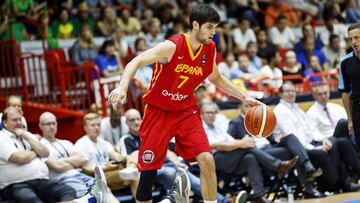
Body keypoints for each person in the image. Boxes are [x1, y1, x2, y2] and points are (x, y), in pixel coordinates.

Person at [108, 4, 263, 203]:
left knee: (207, 159)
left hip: (185, 111)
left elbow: (216, 77)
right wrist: (122, 88)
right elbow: (135, 62)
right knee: (148, 173)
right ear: (195, 25)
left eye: (215, 28)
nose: (213, 33)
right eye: (209, 27)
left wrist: (244, 97)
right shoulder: (171, 46)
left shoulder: (209, 49)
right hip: (159, 111)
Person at [0, 107, 108, 203]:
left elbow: (45, 152)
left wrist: (26, 136)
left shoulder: (25, 135)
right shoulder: (2, 138)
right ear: (4, 123)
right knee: (31, 199)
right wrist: (36, 152)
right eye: (14, 120)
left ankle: (86, 200)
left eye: (20, 119)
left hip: (41, 181)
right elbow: (20, 158)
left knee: (68, 191)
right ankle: (87, 200)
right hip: (16, 184)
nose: (19, 123)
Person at [201, 102, 298, 203]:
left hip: (229, 159)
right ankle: (278, 166)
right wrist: (242, 144)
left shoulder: (217, 127)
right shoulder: (201, 127)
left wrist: (243, 142)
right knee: (246, 147)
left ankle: (259, 195)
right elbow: (216, 145)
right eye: (207, 113)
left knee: (250, 158)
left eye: (212, 113)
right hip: (213, 161)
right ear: (201, 114)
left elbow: (231, 141)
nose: (210, 115)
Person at [38, 111, 120, 202]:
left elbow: (82, 160)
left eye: (53, 123)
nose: (52, 126)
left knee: (106, 191)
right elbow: (57, 167)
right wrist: (73, 163)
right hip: (63, 179)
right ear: (41, 126)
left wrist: (61, 161)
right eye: (48, 124)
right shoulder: (41, 147)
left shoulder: (66, 143)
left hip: (79, 174)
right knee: (91, 195)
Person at [75, 113, 139, 197]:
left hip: (110, 171)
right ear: (85, 128)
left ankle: (131, 169)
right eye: (93, 125)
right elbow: (84, 169)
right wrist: (105, 167)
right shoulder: (82, 144)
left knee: (136, 155)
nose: (96, 127)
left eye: (98, 125)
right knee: (134, 175)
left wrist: (130, 158)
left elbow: (116, 156)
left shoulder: (103, 143)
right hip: (96, 177)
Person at [339, 22, 360, 151]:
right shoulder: (345, 62)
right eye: (350, 39)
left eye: (357, 37)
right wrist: (350, 119)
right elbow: (345, 92)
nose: (353, 42)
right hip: (358, 109)